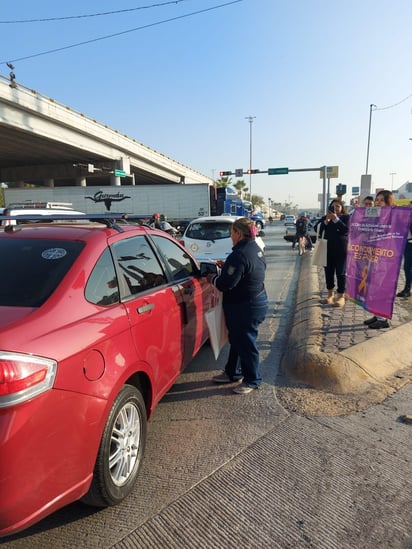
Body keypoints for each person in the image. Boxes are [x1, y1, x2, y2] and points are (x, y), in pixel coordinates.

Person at [207, 217, 268, 394]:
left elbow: (225, 284)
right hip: (254, 302)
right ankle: (233, 372)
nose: (230, 236)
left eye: (231, 232)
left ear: (238, 233)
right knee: (238, 341)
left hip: (245, 306)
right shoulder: (254, 248)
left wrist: (212, 278)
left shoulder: (239, 254)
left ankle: (252, 380)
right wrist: (227, 266)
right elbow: (248, 270)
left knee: (246, 343)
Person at [363, 190, 396, 329]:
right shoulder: (375, 216)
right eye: (377, 199)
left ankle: (384, 319)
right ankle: (377, 314)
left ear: (389, 202)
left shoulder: (394, 216)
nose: (378, 202)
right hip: (374, 256)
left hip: (387, 257)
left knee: (383, 287)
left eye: (382, 200)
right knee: (374, 287)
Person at [319, 199, 350, 307]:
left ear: (342, 208)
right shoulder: (326, 217)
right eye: (333, 206)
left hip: (341, 250)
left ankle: (341, 296)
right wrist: (326, 221)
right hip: (327, 250)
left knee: (341, 273)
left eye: (338, 206)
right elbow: (317, 229)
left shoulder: (345, 218)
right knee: (328, 272)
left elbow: (345, 230)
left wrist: (336, 219)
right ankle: (330, 295)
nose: (335, 208)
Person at [396, 200, 412, 298]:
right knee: (407, 268)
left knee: (407, 267)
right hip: (406, 243)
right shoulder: (405, 217)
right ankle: (407, 288)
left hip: (410, 243)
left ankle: (407, 288)